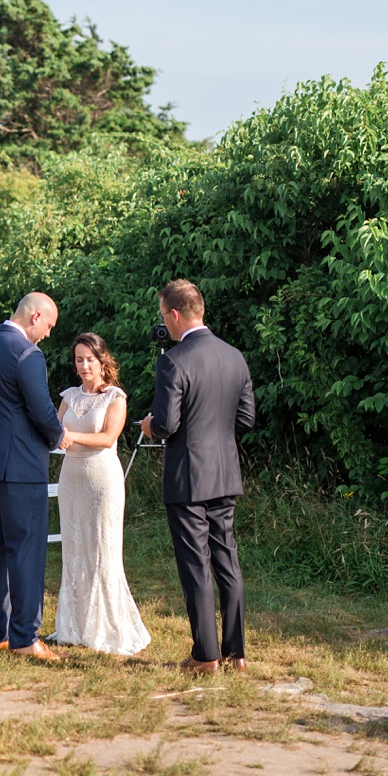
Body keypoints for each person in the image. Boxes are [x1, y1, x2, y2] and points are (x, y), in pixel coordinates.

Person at [138, 279, 256, 674]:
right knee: (226, 560)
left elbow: (168, 424)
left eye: (163, 316)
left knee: (195, 564)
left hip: (188, 476)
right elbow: (246, 419)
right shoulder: (235, 356)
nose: (165, 324)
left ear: (174, 314)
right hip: (225, 473)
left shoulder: (174, 360)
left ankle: (206, 655)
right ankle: (236, 653)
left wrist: (149, 425)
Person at [0, 292, 68, 662]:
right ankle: (25, 635)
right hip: (21, 463)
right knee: (26, 549)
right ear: (35, 317)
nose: (48, 335)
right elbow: (41, 408)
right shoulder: (27, 353)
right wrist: (59, 434)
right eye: (49, 326)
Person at [51, 333, 150, 654]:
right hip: (71, 478)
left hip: (101, 480)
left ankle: (108, 625)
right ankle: (74, 624)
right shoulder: (68, 395)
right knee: (75, 547)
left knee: (102, 549)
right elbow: (54, 432)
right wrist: (55, 436)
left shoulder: (115, 398)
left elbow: (108, 438)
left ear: (102, 360)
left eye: (89, 359)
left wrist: (69, 434)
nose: (83, 366)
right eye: (78, 360)